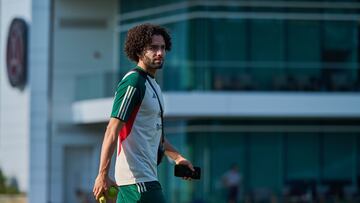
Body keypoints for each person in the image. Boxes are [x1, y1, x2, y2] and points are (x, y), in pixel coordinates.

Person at [92, 23, 194, 203]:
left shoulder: (153, 85)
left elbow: (157, 135)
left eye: (162, 48)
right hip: (137, 184)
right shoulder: (133, 82)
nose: (160, 53)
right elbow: (112, 130)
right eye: (153, 48)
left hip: (146, 181)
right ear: (139, 51)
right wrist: (102, 175)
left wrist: (178, 158)